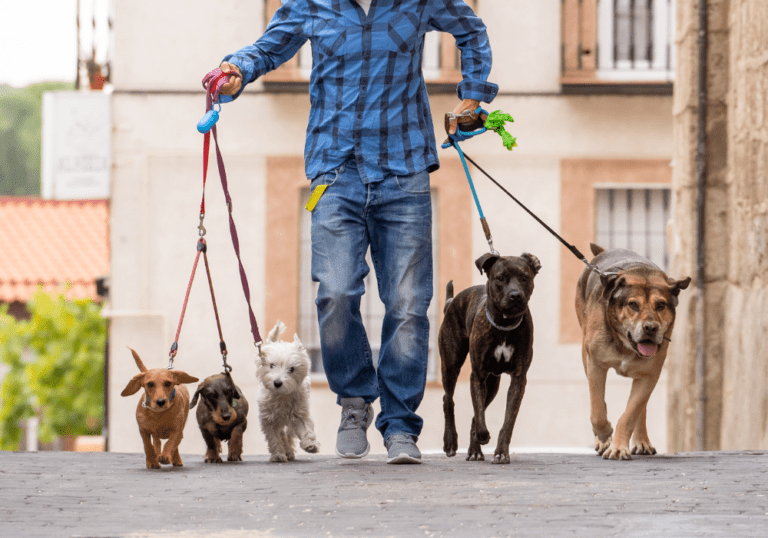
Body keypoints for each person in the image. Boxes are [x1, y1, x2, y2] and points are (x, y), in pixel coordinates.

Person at [214, 0, 497, 464]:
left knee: (408, 304)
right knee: (336, 293)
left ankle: (401, 424)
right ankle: (354, 401)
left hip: (403, 171)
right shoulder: (311, 4)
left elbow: (470, 28)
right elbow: (269, 48)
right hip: (333, 172)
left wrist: (474, 94)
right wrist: (236, 70)